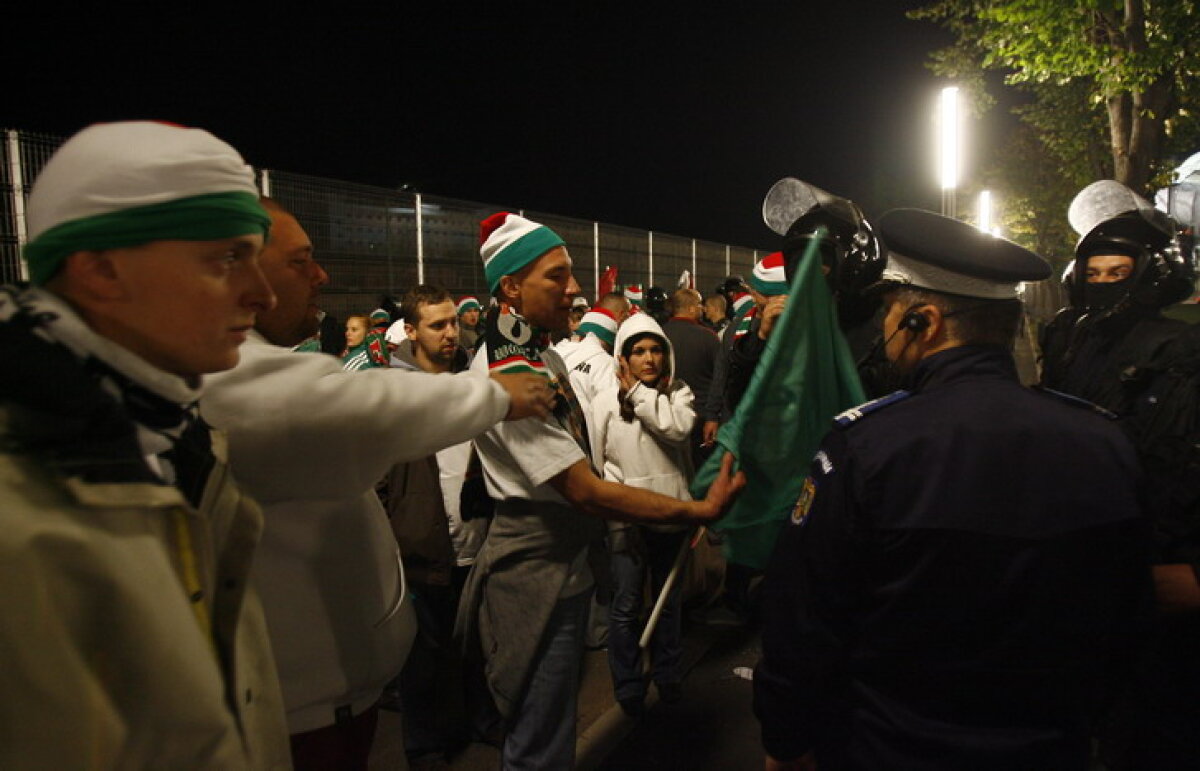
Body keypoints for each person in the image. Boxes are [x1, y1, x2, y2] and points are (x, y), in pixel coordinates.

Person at [754, 208, 1151, 771]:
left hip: (890, 750)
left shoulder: (865, 449)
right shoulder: (1105, 442)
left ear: (924, 321)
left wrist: (786, 739)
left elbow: (804, 624)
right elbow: (1129, 619)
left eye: (891, 310)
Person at [199, 200, 554, 771]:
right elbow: (354, 411)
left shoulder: (253, 365)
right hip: (297, 712)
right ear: (242, 274)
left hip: (330, 698)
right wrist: (497, 397)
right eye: (301, 262)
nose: (322, 276)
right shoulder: (226, 374)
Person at [0, 121, 290, 769]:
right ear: (100, 268)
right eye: (224, 258)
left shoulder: (170, 437)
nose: (262, 293)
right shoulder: (19, 513)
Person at [456, 211, 744, 770]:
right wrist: (696, 508)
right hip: (532, 580)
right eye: (556, 277)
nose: (575, 289)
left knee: (554, 735)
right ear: (510, 287)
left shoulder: (543, 354)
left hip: (565, 571)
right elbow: (584, 490)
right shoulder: (506, 370)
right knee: (538, 745)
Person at [1040, 180, 1200, 767]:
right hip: (1090, 566)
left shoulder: (1184, 346)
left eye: (1119, 272)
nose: (1105, 284)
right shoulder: (1069, 338)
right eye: (1095, 272)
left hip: (1166, 570)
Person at [379, 283, 479, 764]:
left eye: (453, 322)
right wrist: (395, 538)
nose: (449, 333)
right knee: (422, 660)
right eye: (437, 325)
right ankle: (424, 748)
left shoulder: (468, 381)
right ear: (412, 331)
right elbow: (375, 481)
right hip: (419, 549)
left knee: (466, 650)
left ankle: (466, 728)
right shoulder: (392, 392)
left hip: (472, 545)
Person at [590, 312, 695, 718]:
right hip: (627, 520)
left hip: (672, 515)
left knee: (668, 605)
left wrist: (636, 393)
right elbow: (599, 461)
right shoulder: (603, 400)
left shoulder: (679, 394)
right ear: (623, 357)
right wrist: (613, 513)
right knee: (626, 605)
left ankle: (668, 674)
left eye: (655, 350)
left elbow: (677, 431)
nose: (648, 358)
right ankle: (629, 682)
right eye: (638, 351)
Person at [663, 287, 720, 465]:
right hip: (701, 419)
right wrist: (713, 416)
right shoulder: (709, 338)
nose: (702, 309)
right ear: (691, 309)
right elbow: (720, 380)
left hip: (666, 417)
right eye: (699, 304)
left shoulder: (659, 334)